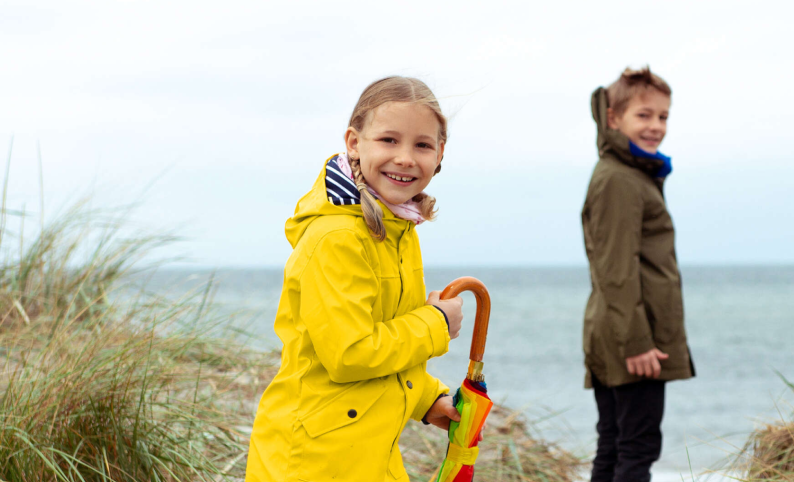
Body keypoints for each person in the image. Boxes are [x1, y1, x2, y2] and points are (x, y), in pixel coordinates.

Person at [245, 76, 464, 482]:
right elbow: (351, 355)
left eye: (422, 145)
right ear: (353, 143)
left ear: (440, 154)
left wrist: (426, 398)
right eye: (388, 140)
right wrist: (436, 323)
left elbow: (386, 347)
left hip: (366, 455)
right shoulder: (338, 237)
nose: (404, 158)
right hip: (312, 461)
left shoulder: (398, 229)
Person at [581, 66, 695, 482]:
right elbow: (615, 268)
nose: (656, 126)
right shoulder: (620, 179)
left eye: (663, 116)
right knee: (636, 447)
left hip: (620, 332)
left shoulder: (631, 173)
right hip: (630, 338)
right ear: (614, 118)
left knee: (615, 444)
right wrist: (638, 342)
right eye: (643, 115)